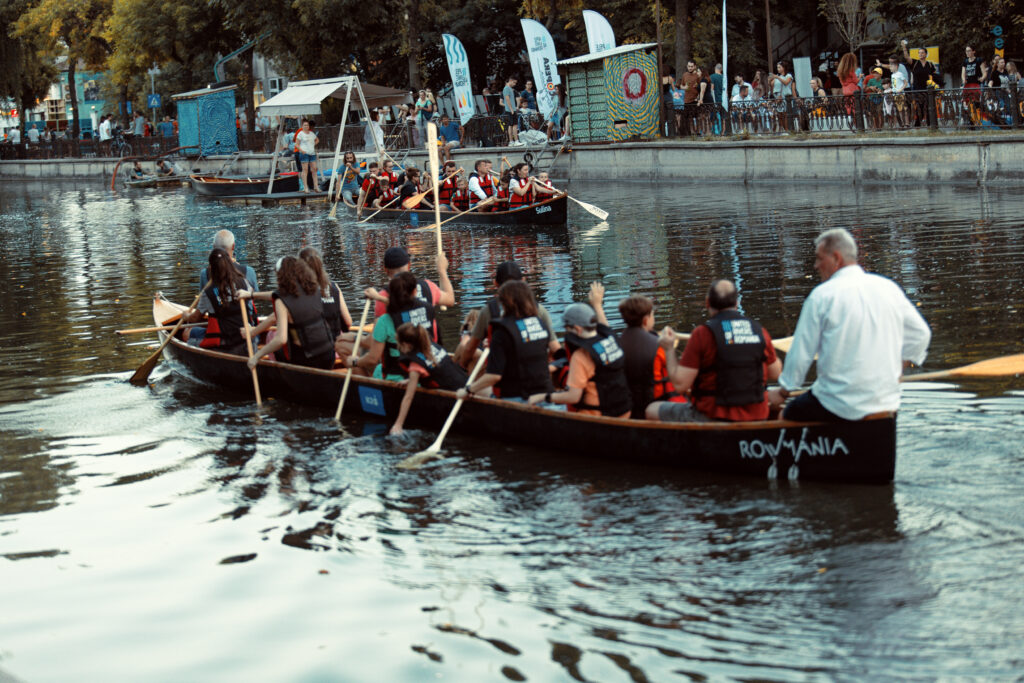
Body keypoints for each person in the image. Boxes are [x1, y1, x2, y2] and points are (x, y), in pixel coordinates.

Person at [766, 228, 931, 421]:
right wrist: (898, 371)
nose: (815, 266)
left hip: (837, 404)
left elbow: (801, 353)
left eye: (819, 258)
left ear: (836, 258)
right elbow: (921, 335)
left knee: (784, 414)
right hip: (885, 401)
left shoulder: (822, 296)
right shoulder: (888, 288)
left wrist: (784, 391)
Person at [647, 279, 781, 422]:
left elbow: (680, 385)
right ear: (737, 303)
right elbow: (776, 373)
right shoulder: (760, 331)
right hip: (756, 414)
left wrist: (668, 349)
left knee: (652, 409)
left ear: (707, 302)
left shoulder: (702, 334)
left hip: (712, 415)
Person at [529, 283, 631, 418]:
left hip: (597, 416)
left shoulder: (580, 356)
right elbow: (604, 326)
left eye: (567, 328)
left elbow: (573, 397)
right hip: (624, 411)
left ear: (577, 329)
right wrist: (597, 304)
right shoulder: (611, 339)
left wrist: (543, 397)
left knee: (542, 402)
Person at [456, 279, 554, 401]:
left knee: (470, 389)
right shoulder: (539, 323)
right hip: (544, 392)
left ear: (504, 302)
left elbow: (494, 376)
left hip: (515, 396)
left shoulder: (502, 331)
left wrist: (467, 390)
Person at [455, 260, 560, 370]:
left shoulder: (488, 311)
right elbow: (555, 348)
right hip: (536, 373)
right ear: (523, 281)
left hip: (501, 375)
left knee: (466, 344)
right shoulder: (539, 310)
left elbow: (469, 349)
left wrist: (462, 367)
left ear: (495, 283)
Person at [243, 256, 335, 370]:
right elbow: (275, 295)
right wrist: (251, 295)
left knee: (275, 346)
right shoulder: (313, 288)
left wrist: (256, 357)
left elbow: (281, 339)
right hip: (328, 353)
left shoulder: (281, 300)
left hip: (307, 359)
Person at [348, 271, 435, 381]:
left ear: (390, 294)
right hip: (427, 372)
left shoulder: (384, 320)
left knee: (377, 368)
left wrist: (354, 362)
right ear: (415, 292)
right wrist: (377, 297)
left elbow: (373, 359)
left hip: (398, 376)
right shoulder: (428, 309)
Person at [390, 322, 470, 435]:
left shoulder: (415, 365)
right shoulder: (429, 346)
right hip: (465, 384)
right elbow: (437, 371)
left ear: (406, 344)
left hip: (454, 398)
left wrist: (398, 424)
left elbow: (408, 397)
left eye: (398, 343)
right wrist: (411, 381)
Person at [617, 294, 678, 419]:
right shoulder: (659, 346)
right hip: (654, 406)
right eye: (652, 315)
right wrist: (670, 349)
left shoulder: (616, 344)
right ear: (645, 320)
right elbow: (674, 376)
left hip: (627, 406)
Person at [194, 247, 256, 354]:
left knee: (189, 334)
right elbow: (252, 296)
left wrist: (186, 316)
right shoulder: (244, 282)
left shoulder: (208, 293)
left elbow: (195, 318)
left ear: (211, 268)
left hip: (226, 343)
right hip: (247, 340)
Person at [299, 246, 352, 346]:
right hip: (336, 344)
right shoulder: (334, 287)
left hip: (314, 347)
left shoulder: (299, 291)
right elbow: (348, 322)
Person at [295, 119, 319, 193]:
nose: (306, 126)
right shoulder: (300, 133)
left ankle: (316, 186)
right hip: (304, 153)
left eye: (307, 125)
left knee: (314, 169)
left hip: (312, 153)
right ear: (302, 126)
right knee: (305, 170)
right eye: (305, 125)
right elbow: (296, 144)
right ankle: (305, 187)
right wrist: (302, 150)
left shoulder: (311, 133)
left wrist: (312, 145)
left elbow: (317, 140)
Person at [502, 76, 520, 144]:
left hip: (511, 109)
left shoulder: (509, 89)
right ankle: (515, 140)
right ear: (511, 80)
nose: (515, 84)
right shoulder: (506, 88)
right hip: (510, 110)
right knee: (514, 125)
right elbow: (507, 99)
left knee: (511, 125)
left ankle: (511, 141)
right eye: (514, 82)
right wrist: (511, 109)